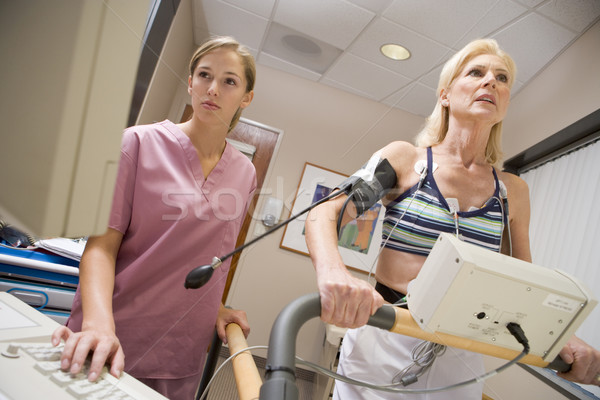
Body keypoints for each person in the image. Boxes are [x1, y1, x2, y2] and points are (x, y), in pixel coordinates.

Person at [305, 38, 600, 399]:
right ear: (445, 94)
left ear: (505, 102)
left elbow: (527, 287)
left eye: (502, 78)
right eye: (476, 72)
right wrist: (334, 272)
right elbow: (325, 211)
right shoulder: (405, 161)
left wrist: (563, 337)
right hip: (387, 333)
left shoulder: (512, 192)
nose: (491, 81)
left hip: (459, 352)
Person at [51, 36, 257, 400]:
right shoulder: (136, 144)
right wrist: (99, 325)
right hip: (112, 333)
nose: (212, 89)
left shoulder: (245, 173)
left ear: (246, 97)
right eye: (204, 75)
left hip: (181, 351)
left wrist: (216, 308)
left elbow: (211, 258)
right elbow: (101, 247)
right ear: (190, 82)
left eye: (229, 81)